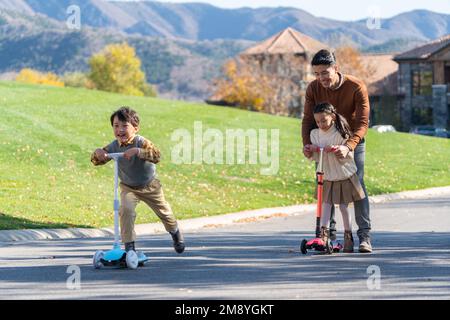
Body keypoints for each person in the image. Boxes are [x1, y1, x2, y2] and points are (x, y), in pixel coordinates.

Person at [302, 49, 372, 253]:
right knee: (325, 184)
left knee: (356, 186)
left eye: (324, 72)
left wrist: (348, 146)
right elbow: (307, 119)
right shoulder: (313, 88)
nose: (320, 78)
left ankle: (364, 236)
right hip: (323, 142)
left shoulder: (355, 86)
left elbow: (362, 122)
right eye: (316, 74)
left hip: (352, 142)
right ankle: (326, 237)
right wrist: (307, 144)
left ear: (336, 68)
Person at [91, 106, 185, 254]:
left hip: (150, 186)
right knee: (125, 210)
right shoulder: (114, 146)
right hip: (128, 187)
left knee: (165, 213)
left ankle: (175, 233)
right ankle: (129, 247)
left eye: (124, 126)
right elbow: (98, 160)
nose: (120, 130)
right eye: (116, 126)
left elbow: (157, 155)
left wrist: (138, 151)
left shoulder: (141, 142)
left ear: (135, 128)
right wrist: (98, 153)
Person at [309, 103, 366, 253]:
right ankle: (323, 236)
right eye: (318, 121)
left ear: (332, 117)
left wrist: (338, 150)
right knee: (326, 205)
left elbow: (349, 154)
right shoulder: (315, 134)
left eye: (324, 120)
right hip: (327, 175)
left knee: (342, 206)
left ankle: (348, 236)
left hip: (343, 174)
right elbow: (316, 157)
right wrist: (310, 151)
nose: (320, 124)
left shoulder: (340, 134)